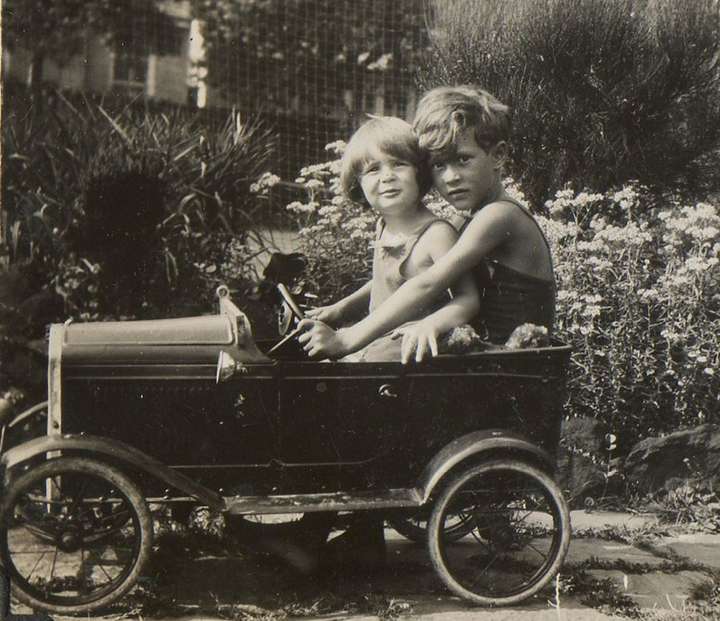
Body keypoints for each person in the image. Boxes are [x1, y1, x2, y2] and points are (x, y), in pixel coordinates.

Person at [298, 85, 555, 363]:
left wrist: (347, 338)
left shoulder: (500, 216)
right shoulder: (465, 218)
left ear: (498, 155)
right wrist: (341, 310)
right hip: (481, 356)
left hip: (515, 363)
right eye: (439, 165)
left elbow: (428, 283)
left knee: (372, 358)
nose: (451, 177)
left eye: (463, 159)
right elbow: (406, 276)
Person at [305, 114, 478, 362]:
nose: (387, 177)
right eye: (374, 169)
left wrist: (430, 324)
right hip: (379, 339)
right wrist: (339, 308)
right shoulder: (383, 225)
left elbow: (469, 298)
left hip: (410, 349)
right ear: (359, 184)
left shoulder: (436, 234)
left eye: (398, 164)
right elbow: (388, 281)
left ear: (420, 173)